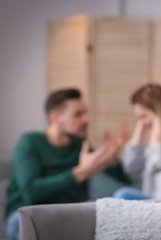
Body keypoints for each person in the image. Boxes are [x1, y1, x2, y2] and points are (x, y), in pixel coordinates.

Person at [4, 89, 131, 240]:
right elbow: (31, 192)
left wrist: (113, 157)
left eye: (85, 113)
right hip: (26, 216)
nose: (86, 120)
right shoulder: (29, 142)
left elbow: (123, 182)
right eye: (78, 114)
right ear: (55, 118)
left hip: (67, 216)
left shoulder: (79, 145)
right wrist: (81, 172)